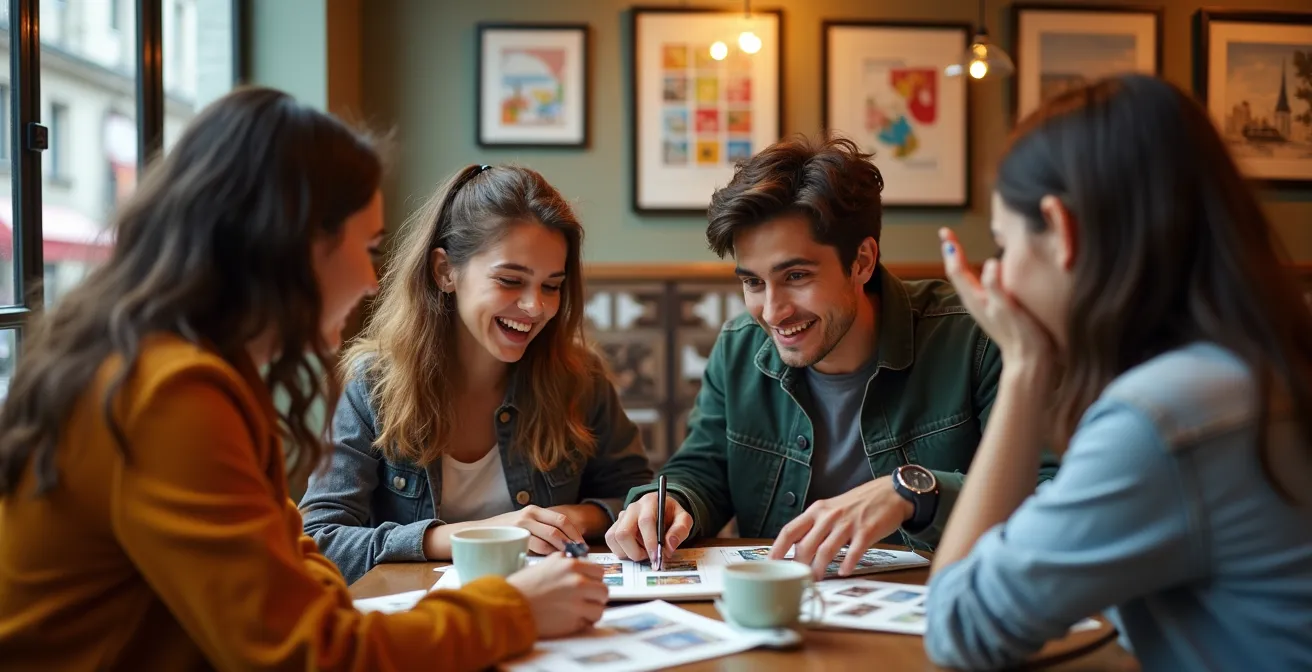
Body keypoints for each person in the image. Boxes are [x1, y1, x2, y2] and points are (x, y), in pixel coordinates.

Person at [0, 87, 607, 671]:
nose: (372, 281)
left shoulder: (189, 369)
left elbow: (299, 568)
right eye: (367, 247)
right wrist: (514, 608)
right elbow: (309, 655)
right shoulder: (169, 394)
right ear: (288, 246)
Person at [924, 74, 1312, 670]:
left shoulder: (1165, 417)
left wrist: (1024, 368)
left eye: (1003, 244)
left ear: (1061, 230)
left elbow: (957, 627)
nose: (997, 276)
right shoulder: (1264, 364)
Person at [606, 136, 1059, 578]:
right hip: (785, 612)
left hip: (938, 602)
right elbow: (704, 468)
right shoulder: (738, 347)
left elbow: (1054, 495)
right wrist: (671, 502)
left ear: (862, 261)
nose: (772, 312)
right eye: (753, 282)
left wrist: (912, 494)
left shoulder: (978, 338)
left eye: (796, 276)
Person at [299, 163, 653, 583]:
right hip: (424, 616)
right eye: (510, 280)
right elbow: (320, 541)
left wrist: (566, 518)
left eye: (551, 286)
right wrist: (476, 535)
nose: (535, 306)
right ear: (444, 271)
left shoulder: (580, 377)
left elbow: (634, 498)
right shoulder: (371, 383)